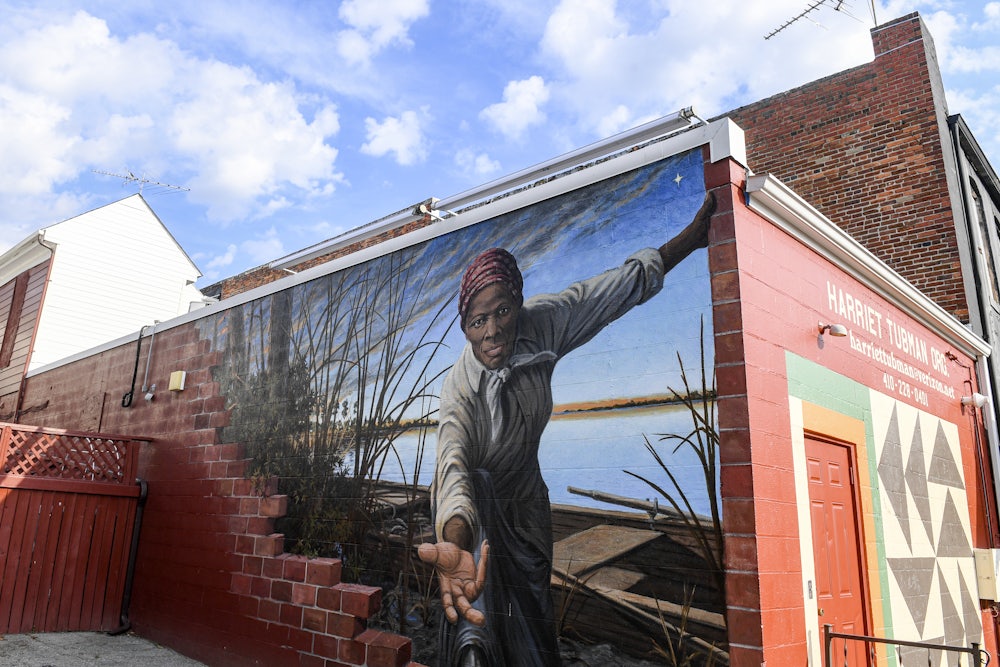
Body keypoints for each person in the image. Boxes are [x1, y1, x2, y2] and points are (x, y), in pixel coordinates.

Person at [417, 192, 716, 666]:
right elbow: (452, 467)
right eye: (478, 321)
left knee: (534, 609)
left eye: (501, 312)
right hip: (476, 511)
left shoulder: (546, 322)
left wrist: (690, 241)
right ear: (466, 329)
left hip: (527, 501)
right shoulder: (460, 389)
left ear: (518, 303)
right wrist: (454, 542)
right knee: (481, 601)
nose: (492, 330)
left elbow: (618, 288)